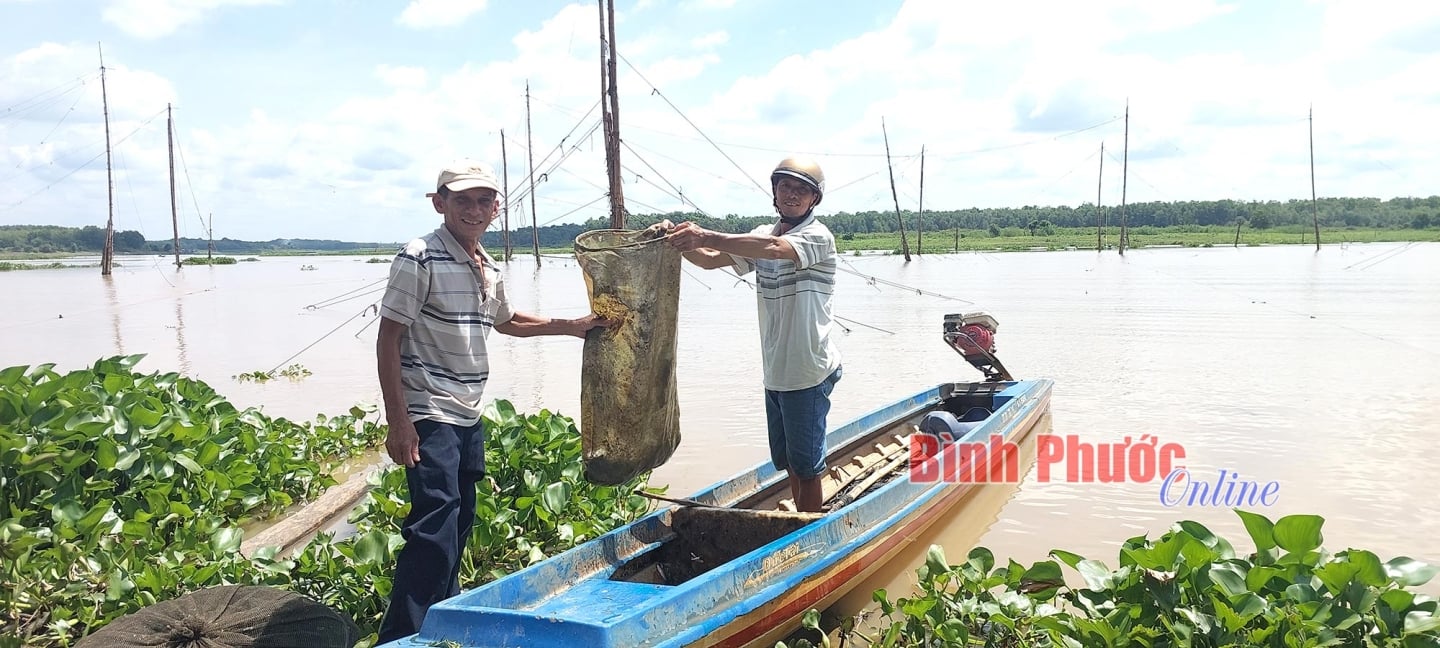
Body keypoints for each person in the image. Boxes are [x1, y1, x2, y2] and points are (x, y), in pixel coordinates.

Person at [375, 159, 613, 643]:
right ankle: (401, 636)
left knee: (459, 519)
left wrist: (570, 326)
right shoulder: (419, 256)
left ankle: (443, 617)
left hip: (468, 408)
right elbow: (388, 339)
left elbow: (505, 321)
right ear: (439, 203)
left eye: (484, 201)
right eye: (462, 200)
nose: (475, 209)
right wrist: (398, 422)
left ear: (497, 208)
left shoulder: (487, 263)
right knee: (434, 525)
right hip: (429, 409)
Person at [656, 156, 843, 513]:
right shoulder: (761, 235)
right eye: (786, 186)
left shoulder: (818, 237)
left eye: (802, 190)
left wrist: (705, 234)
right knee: (789, 462)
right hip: (776, 371)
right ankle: (799, 521)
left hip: (807, 371)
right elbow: (711, 259)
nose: (792, 194)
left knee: (807, 468)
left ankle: (809, 529)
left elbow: (775, 250)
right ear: (774, 191)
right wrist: (678, 241)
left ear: (813, 200)